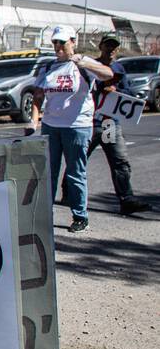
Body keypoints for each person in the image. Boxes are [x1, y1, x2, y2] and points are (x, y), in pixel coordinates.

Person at [31, 26, 115, 233]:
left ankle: (80, 215)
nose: (58, 47)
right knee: (49, 172)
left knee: (75, 172)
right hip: (52, 126)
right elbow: (38, 95)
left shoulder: (83, 63)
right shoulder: (49, 66)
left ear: (72, 41)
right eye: (55, 43)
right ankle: (45, 214)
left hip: (77, 126)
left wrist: (84, 62)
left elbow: (108, 74)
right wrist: (33, 121)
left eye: (62, 42)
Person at [58, 33, 151, 216]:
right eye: (108, 46)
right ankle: (68, 194)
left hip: (109, 124)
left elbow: (128, 92)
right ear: (101, 47)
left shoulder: (118, 69)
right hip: (89, 123)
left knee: (119, 161)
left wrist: (116, 90)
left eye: (114, 47)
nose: (111, 50)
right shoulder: (89, 66)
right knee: (78, 159)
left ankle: (126, 198)